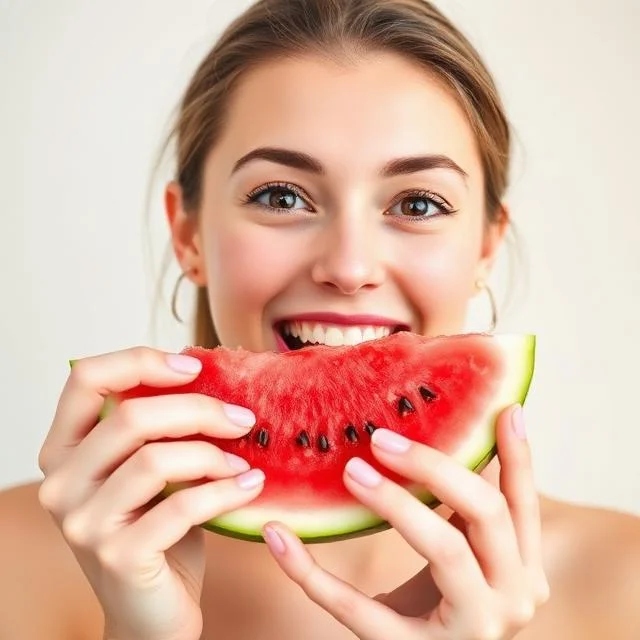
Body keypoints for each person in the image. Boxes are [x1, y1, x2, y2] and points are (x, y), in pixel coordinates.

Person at [1, 1, 639, 638]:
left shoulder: (623, 585)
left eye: (417, 203)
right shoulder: (14, 563)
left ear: (484, 247)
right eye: (281, 197)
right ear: (188, 232)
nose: (350, 265)